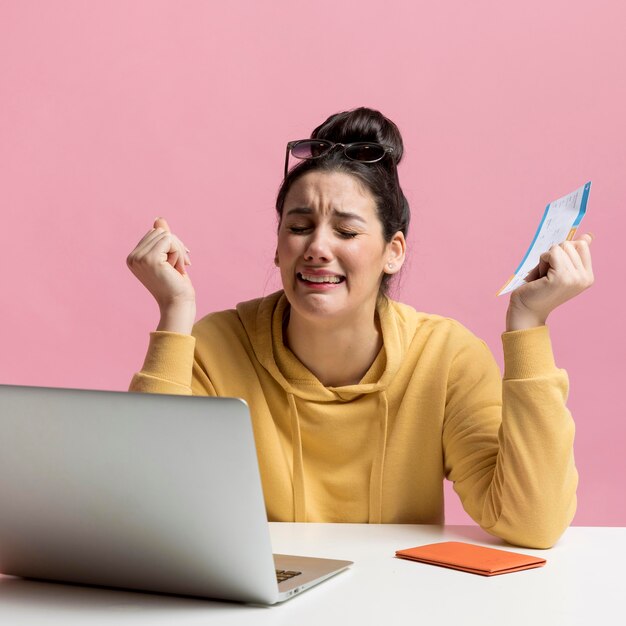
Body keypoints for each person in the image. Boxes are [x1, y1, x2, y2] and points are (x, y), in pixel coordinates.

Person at [127, 107, 594, 549]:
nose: (317, 247)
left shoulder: (446, 357)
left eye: (347, 232)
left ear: (394, 251)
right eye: (299, 226)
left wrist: (528, 324)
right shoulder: (213, 348)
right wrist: (174, 312)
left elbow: (533, 523)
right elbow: (144, 512)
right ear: (277, 245)